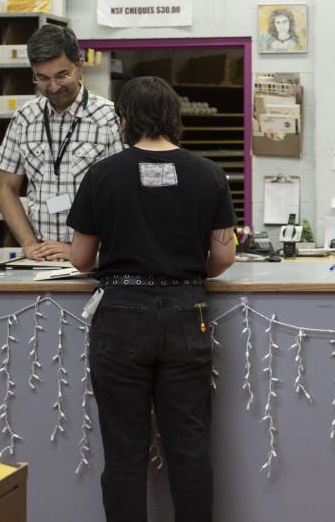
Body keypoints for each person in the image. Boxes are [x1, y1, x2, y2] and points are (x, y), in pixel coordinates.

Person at [68, 76, 237, 522]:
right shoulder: (209, 174)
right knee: (190, 450)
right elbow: (222, 257)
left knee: (125, 454)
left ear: (124, 120)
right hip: (187, 311)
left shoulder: (101, 175)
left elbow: (82, 260)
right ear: (173, 118)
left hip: (121, 313)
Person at [0, 25, 123, 261]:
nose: (53, 87)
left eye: (61, 75)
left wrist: (86, 252)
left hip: (95, 261)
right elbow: (6, 188)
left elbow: (126, 196)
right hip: (40, 260)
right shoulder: (24, 118)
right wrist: (30, 244)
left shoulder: (109, 118)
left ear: (79, 65)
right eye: (42, 78)